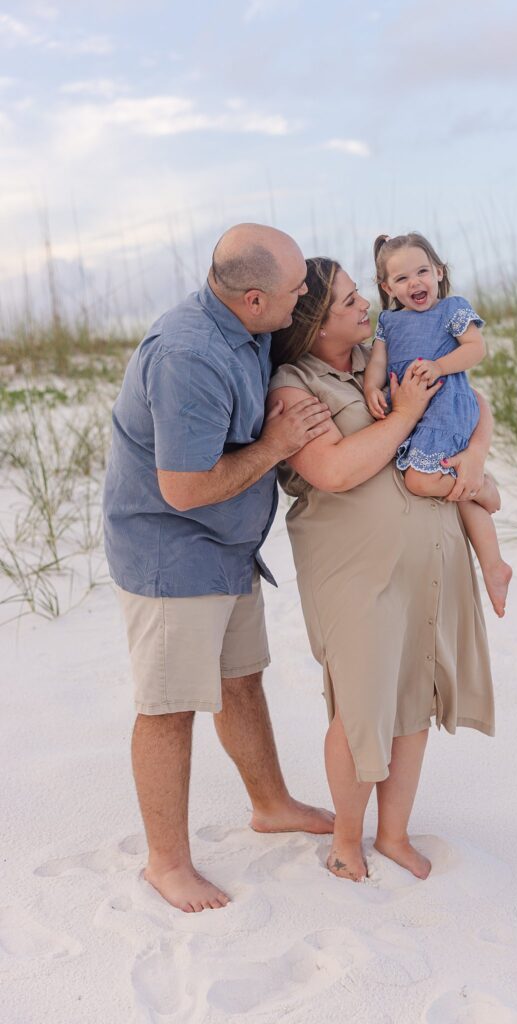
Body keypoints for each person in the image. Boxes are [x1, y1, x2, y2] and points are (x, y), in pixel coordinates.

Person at [102, 224, 335, 914]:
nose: (305, 299)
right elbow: (184, 488)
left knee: (241, 681)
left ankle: (270, 804)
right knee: (169, 708)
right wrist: (278, 444)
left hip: (228, 545)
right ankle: (165, 865)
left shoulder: (254, 324)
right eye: (296, 291)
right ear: (254, 297)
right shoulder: (188, 355)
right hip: (171, 551)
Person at [268, 257, 496, 883]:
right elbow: (334, 471)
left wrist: (474, 459)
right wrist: (400, 417)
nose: (364, 305)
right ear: (315, 325)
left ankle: (393, 834)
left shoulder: (389, 348)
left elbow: (469, 399)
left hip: (428, 556)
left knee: (412, 697)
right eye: (346, 302)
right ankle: (347, 839)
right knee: (361, 703)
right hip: (355, 569)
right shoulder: (294, 384)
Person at [364, 232, 512, 617]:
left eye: (422, 272)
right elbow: (378, 363)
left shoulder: (451, 310)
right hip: (415, 412)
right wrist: (370, 387)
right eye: (401, 279)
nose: (415, 283)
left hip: (447, 404)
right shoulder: (389, 323)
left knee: (420, 478)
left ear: (439, 272)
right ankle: (494, 566)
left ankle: (483, 487)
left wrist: (440, 366)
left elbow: (476, 348)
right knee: (455, 483)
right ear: (387, 287)